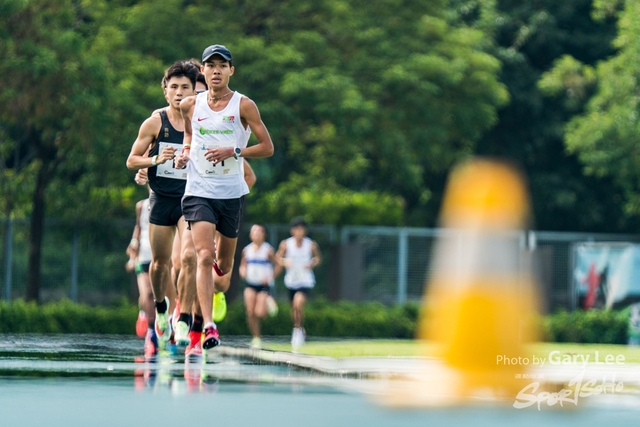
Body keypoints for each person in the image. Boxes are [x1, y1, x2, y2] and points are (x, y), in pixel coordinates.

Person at [175, 44, 274, 350]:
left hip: (230, 193)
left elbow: (267, 147)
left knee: (224, 267)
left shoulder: (244, 106)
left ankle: (212, 295)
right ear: (202, 71)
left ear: (232, 70)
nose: (215, 70)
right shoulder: (190, 104)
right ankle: (208, 326)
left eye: (222, 65)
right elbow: (190, 136)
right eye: (210, 65)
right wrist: (185, 153)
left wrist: (234, 151)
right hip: (198, 190)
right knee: (202, 256)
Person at [126, 60, 201, 357]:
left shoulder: (203, 121)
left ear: (193, 90)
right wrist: (155, 159)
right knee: (159, 265)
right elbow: (132, 159)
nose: (180, 92)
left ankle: (183, 320)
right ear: (165, 92)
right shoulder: (155, 122)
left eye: (185, 87)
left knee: (190, 257)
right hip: (161, 200)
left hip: (192, 199)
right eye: (174, 87)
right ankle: (161, 310)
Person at [275, 217, 322, 352]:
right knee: (294, 308)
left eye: (301, 229)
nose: (299, 232)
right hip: (291, 280)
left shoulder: (310, 244)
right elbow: (278, 257)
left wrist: (312, 263)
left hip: (305, 280)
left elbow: (318, 258)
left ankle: (297, 332)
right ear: (292, 231)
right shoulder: (286, 244)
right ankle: (299, 328)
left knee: (298, 303)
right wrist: (285, 262)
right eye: (296, 229)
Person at [239, 223, 279, 349]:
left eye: (259, 232)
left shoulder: (268, 250)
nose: (256, 234)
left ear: (264, 234)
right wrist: (242, 271)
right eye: (254, 231)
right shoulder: (246, 250)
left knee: (259, 312)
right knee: (250, 312)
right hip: (250, 283)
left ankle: (269, 301)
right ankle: (256, 338)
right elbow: (242, 265)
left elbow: (278, 265)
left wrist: (270, 276)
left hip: (263, 285)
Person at [125, 189, 154, 342]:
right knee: (147, 294)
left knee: (159, 295)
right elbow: (138, 226)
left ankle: (163, 326)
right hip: (144, 256)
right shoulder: (141, 206)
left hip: (162, 255)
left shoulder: (171, 202)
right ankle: (149, 326)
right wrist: (133, 244)